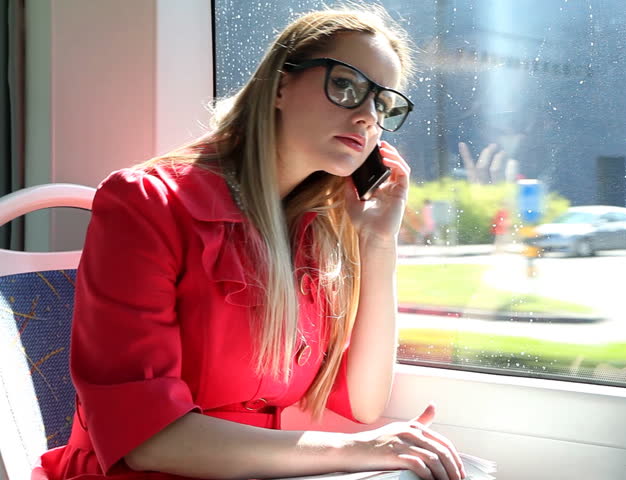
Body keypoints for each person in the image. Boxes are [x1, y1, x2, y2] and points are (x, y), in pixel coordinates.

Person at [35, 6, 466, 480]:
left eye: (384, 106)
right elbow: (149, 442)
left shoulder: (316, 227)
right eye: (346, 86)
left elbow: (364, 402)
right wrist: (360, 449)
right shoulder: (145, 203)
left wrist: (379, 243)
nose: (367, 117)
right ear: (280, 85)